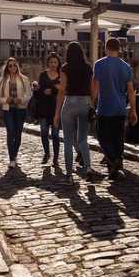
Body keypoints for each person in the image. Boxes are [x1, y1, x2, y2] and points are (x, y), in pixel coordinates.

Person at [92, 38, 138, 180]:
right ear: (119, 49)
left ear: (106, 48)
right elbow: (131, 91)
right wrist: (133, 110)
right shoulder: (126, 67)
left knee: (102, 136)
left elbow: (95, 86)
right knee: (118, 137)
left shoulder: (99, 64)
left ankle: (112, 159)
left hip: (105, 107)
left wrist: (91, 103)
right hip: (120, 107)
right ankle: (117, 162)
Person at [54, 42, 93, 185]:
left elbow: (62, 90)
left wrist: (57, 113)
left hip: (70, 102)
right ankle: (88, 168)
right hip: (85, 102)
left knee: (68, 141)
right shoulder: (88, 68)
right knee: (83, 139)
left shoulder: (65, 68)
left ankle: (69, 175)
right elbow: (91, 88)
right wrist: (92, 104)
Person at [0, 57, 31, 168]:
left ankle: (14, 154)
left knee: (18, 133)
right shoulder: (2, 80)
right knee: (10, 132)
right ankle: (11, 158)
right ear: (7, 67)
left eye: (14, 65)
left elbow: (29, 94)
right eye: (10, 65)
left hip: (20, 109)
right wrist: (6, 100)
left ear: (17, 66)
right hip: (8, 110)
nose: (12, 67)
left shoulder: (24, 79)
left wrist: (21, 100)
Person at [35, 53, 61, 166]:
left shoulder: (61, 75)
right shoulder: (43, 75)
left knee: (55, 134)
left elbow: (64, 91)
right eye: (51, 62)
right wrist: (42, 90)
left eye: (55, 62)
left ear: (58, 63)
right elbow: (38, 90)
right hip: (44, 107)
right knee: (44, 132)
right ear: (48, 63)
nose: (53, 64)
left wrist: (54, 90)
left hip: (56, 108)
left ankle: (55, 158)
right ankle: (47, 153)